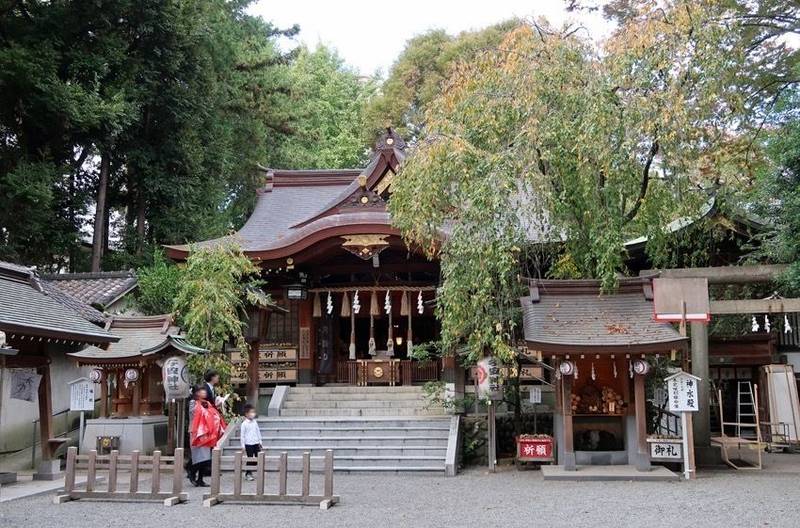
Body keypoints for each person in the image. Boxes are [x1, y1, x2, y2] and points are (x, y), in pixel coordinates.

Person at [188, 384, 225, 486]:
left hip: (206, 432)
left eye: (204, 390)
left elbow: (212, 414)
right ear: (196, 393)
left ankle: (200, 478)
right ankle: (192, 472)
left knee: (205, 457)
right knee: (199, 457)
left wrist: (216, 406)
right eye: (201, 391)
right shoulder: (193, 403)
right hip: (197, 432)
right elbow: (195, 413)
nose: (204, 392)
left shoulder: (206, 402)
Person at [240, 403, 262, 481]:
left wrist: (260, 441)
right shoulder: (244, 424)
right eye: (251, 412)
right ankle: (248, 473)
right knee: (250, 458)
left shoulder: (255, 422)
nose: (253, 414)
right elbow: (242, 436)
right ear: (246, 414)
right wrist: (243, 446)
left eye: (254, 412)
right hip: (248, 444)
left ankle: (251, 471)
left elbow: (258, 432)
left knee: (258, 458)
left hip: (256, 443)